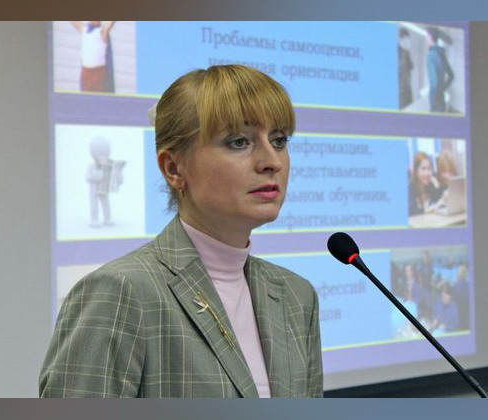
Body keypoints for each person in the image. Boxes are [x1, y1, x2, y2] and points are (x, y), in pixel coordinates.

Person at [40, 65, 323, 398]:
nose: (271, 161)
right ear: (173, 168)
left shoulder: (296, 297)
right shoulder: (122, 292)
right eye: (238, 142)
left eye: (278, 140)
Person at [70, 21, 115, 92]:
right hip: (86, 73)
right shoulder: (84, 30)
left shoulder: (103, 31)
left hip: (99, 74)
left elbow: (111, 23)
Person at [426, 27, 454, 113]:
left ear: (430, 37)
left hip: (435, 102)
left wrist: (434, 99)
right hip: (442, 99)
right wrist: (442, 89)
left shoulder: (431, 55)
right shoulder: (442, 53)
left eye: (427, 36)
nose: (426, 39)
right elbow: (451, 75)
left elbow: (434, 84)